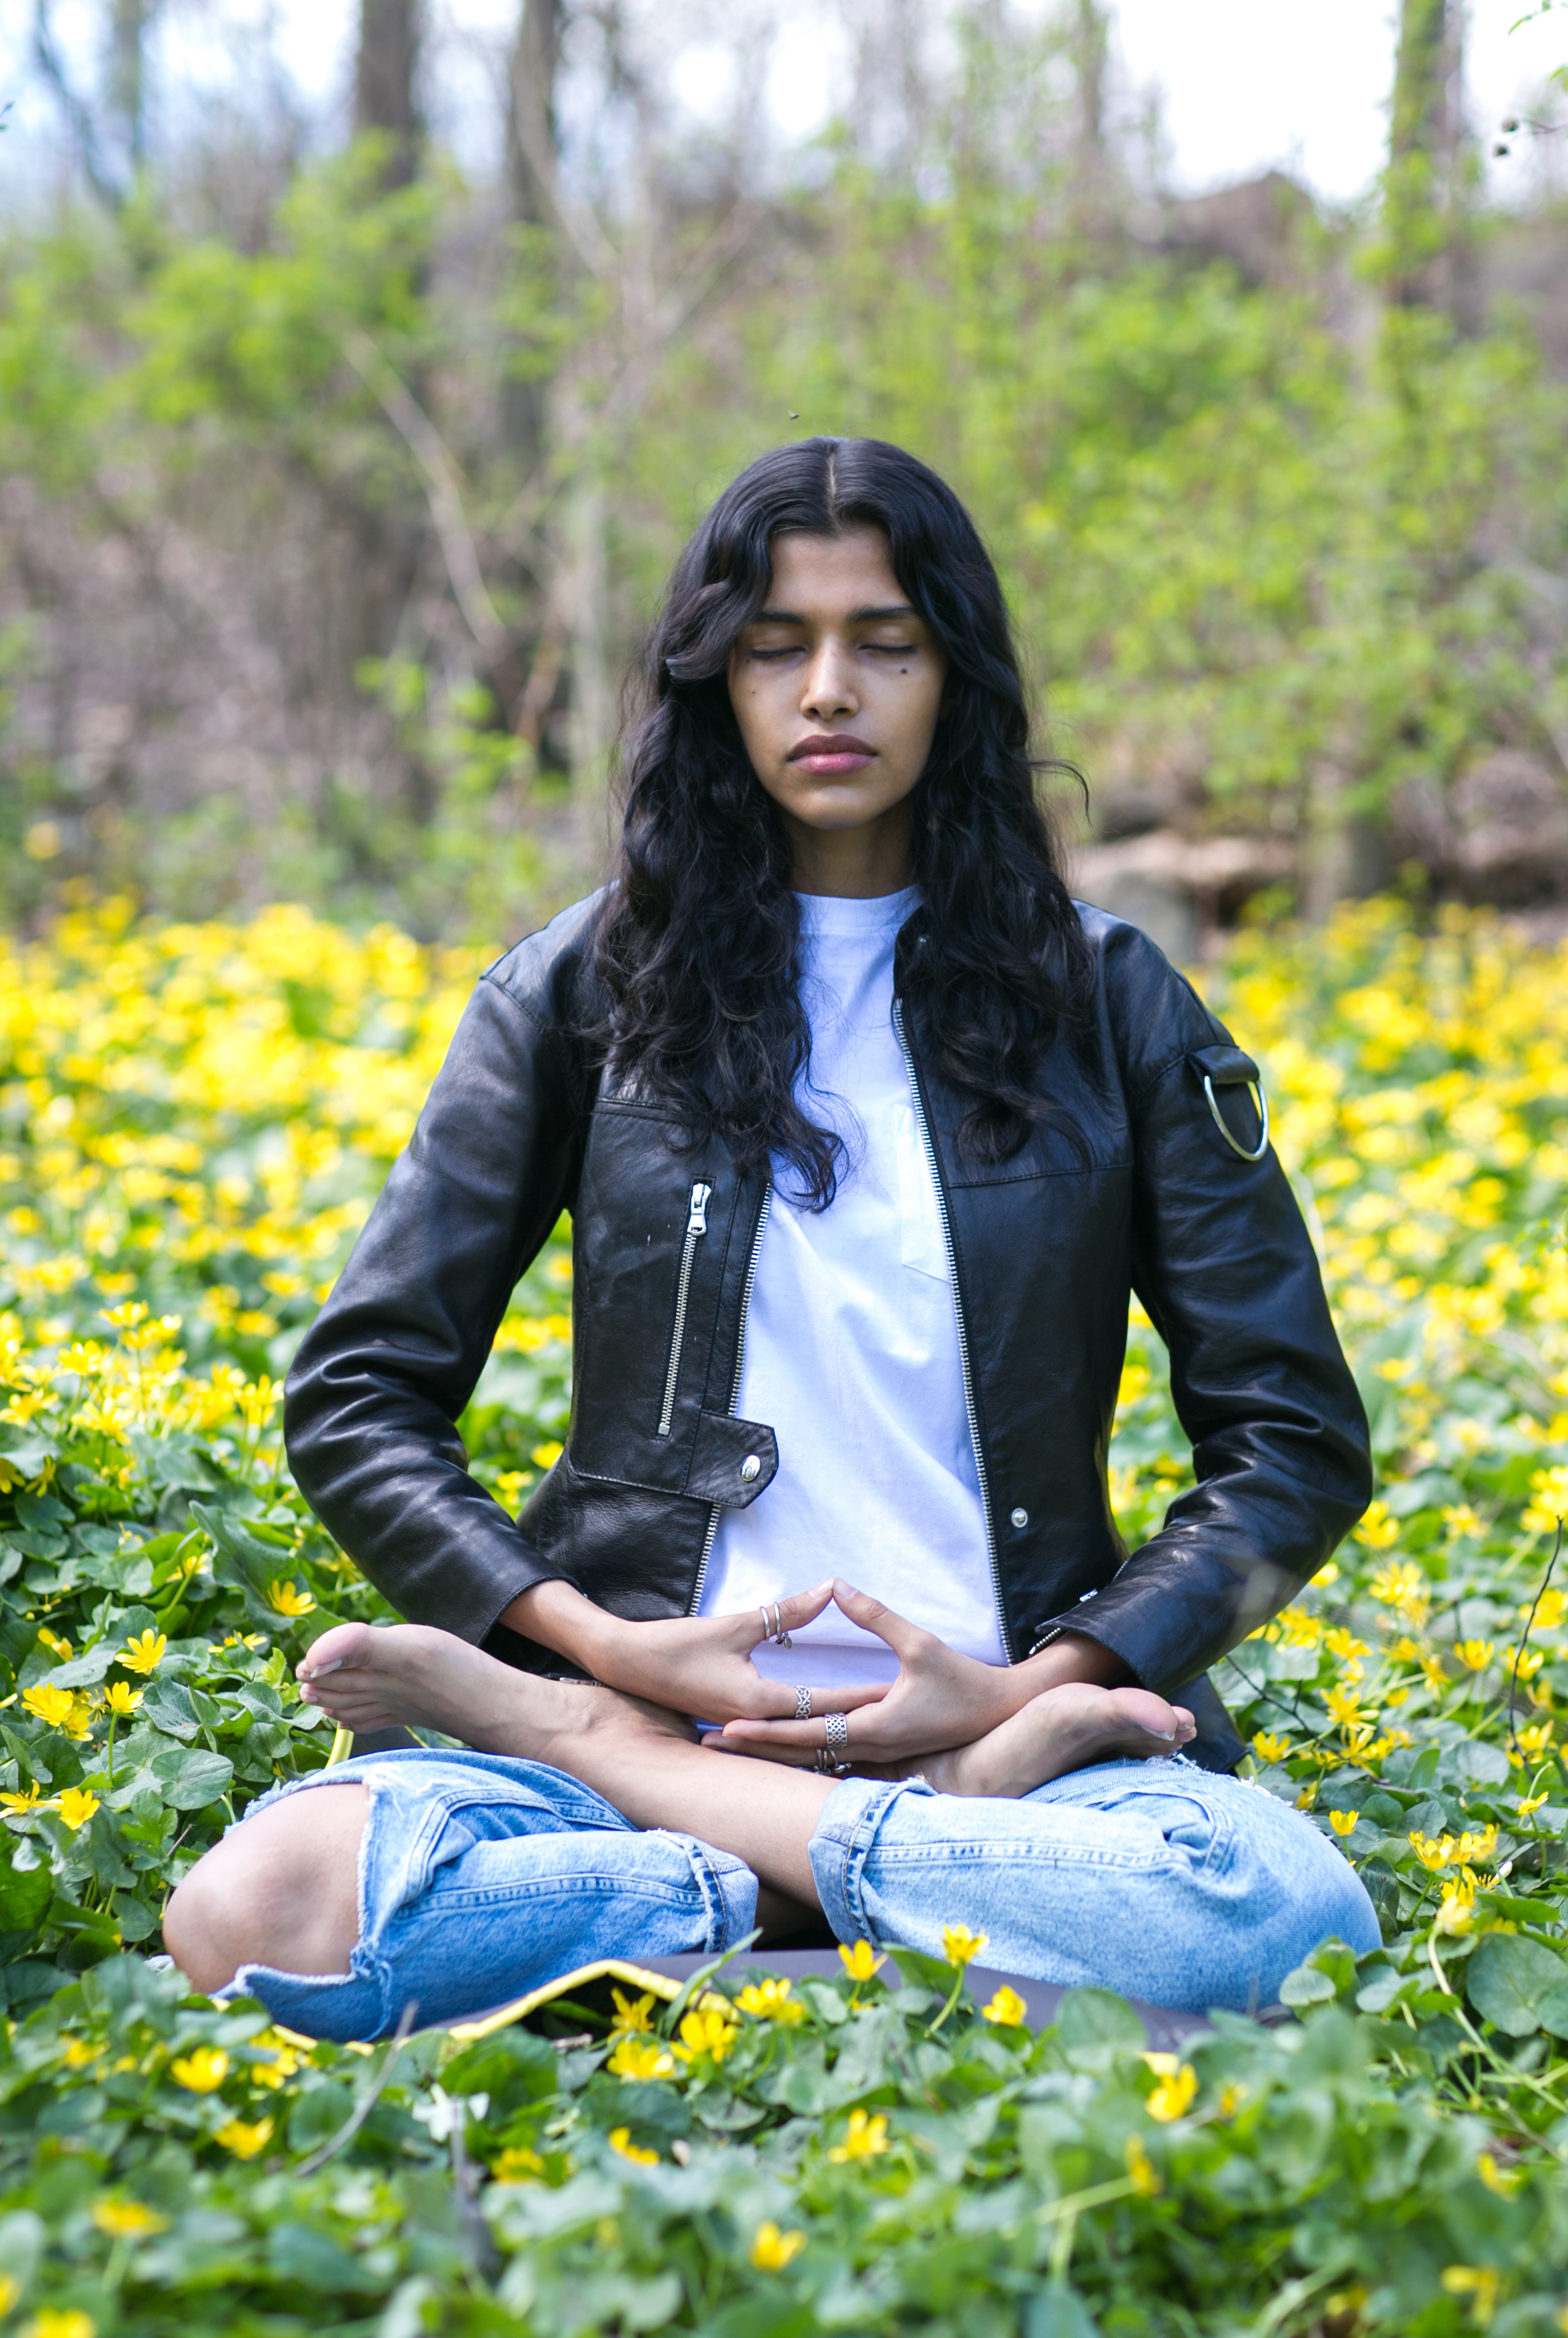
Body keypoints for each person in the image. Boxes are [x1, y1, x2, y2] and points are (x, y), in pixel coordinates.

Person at [163, 438, 1379, 2035]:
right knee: (255, 1910)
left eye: (884, 642)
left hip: (1026, 1744)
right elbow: (358, 1390)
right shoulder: (579, 996)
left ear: (955, 677)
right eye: (773, 646)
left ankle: (729, 1860)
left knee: (1281, 1913)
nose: (828, 691)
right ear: (714, 687)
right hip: (643, 1707)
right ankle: (790, 1834)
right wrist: (599, 1657)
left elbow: (1292, 1434)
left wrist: (1037, 1689)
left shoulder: (1111, 1003)